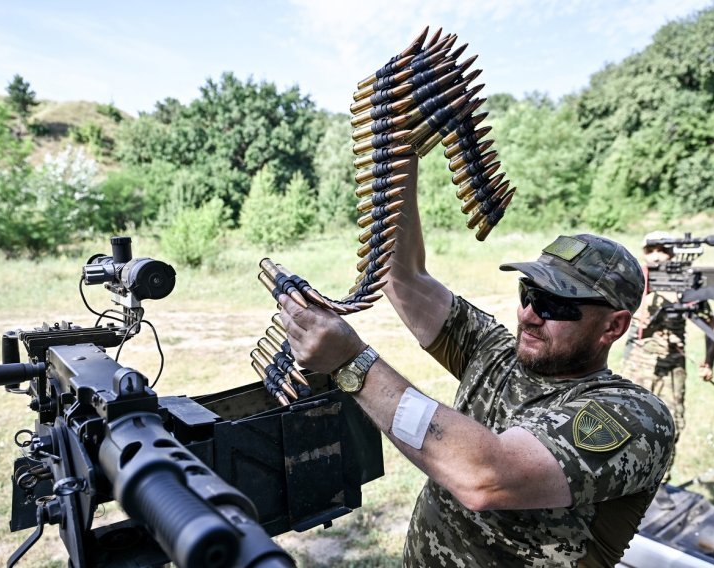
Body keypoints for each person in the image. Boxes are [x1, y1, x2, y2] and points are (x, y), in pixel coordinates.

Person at [278, 157, 674, 567]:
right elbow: (404, 279)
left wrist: (352, 365)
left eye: (555, 304)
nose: (528, 315)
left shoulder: (636, 418)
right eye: (528, 293)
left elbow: (485, 476)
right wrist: (401, 152)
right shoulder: (496, 353)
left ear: (614, 327)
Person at [622, 231, 714, 480]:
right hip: (638, 364)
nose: (656, 256)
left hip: (673, 365)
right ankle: (629, 479)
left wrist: (709, 361)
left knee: (672, 424)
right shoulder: (635, 280)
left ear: (673, 253)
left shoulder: (685, 284)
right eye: (650, 250)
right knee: (629, 422)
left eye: (662, 250)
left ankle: (661, 482)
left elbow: (713, 325)